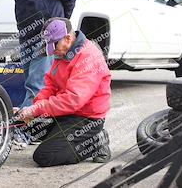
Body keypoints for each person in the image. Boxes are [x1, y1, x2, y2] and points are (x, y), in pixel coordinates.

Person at [17, 17, 111, 167]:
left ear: (67, 38)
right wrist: (34, 108)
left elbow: (73, 100)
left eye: (54, 45)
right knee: (26, 125)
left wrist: (37, 109)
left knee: (44, 156)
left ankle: (95, 141)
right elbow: (50, 86)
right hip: (67, 113)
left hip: (86, 119)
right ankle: (65, 139)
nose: (52, 50)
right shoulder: (63, 53)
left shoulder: (88, 57)